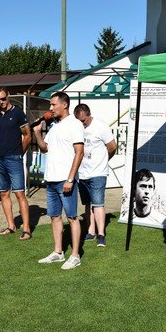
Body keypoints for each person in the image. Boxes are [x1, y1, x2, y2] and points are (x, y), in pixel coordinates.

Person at [33, 92, 85, 269]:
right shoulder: (54, 126)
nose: (50, 108)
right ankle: (58, 252)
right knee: (54, 216)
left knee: (72, 217)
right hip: (51, 179)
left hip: (65, 180)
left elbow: (79, 152)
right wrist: (37, 133)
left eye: (53, 104)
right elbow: (45, 148)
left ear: (64, 105)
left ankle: (75, 255)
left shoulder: (75, 124)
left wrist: (70, 179)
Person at [0, 87, 32, 240]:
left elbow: (27, 136)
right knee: (3, 193)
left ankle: (26, 229)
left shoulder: (18, 113)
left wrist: (19, 153)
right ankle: (11, 226)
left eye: (3, 98)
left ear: (8, 96)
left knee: (19, 193)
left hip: (14, 158)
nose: (1, 102)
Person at [74, 104, 117, 248]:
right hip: (82, 173)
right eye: (79, 121)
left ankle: (101, 234)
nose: (82, 123)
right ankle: (91, 231)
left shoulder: (101, 126)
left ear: (89, 115)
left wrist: (104, 160)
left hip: (98, 172)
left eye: (83, 120)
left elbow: (112, 147)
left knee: (98, 204)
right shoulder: (77, 128)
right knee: (87, 203)